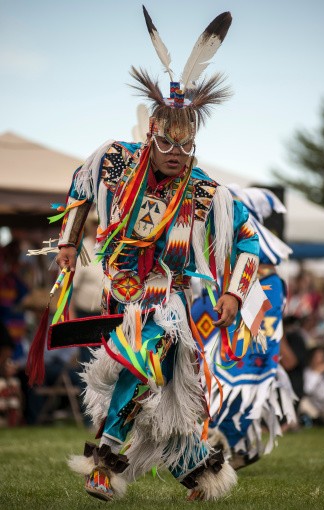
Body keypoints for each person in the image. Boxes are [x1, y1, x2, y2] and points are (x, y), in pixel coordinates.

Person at [28, 7, 268, 502]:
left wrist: (232, 292)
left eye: (186, 146)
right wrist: (70, 242)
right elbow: (79, 186)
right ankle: (198, 473)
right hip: (118, 292)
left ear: (195, 143)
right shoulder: (115, 160)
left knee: (146, 357)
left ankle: (105, 463)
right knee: (145, 393)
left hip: (166, 299)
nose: (177, 154)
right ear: (152, 134)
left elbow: (247, 239)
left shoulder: (205, 191)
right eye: (167, 143)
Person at [192, 186, 297, 469]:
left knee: (248, 370)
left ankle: (228, 442)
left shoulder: (263, 264)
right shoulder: (228, 253)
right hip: (232, 293)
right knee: (217, 372)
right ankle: (238, 446)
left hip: (255, 293)